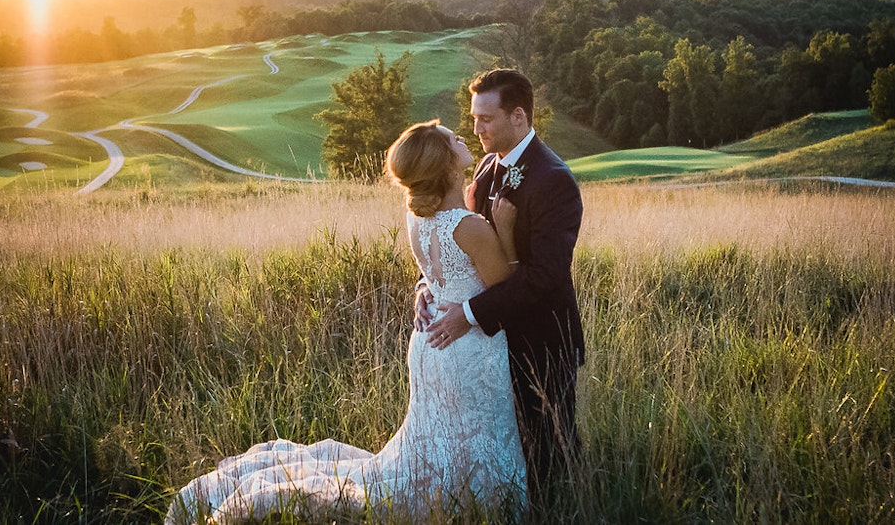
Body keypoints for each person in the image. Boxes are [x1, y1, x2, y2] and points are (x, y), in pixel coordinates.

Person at [165, 120, 527, 524]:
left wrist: (422, 290)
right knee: (475, 435)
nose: (462, 137)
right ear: (444, 163)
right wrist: (508, 232)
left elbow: (435, 275)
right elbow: (505, 288)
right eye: (452, 140)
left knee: (440, 439)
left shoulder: (418, 220)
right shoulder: (471, 227)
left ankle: (455, 503)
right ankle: (485, 507)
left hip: (429, 345)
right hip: (466, 348)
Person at [416, 68, 585, 502]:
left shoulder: (554, 180)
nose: (476, 129)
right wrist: (428, 287)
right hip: (492, 345)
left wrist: (469, 314)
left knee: (552, 446)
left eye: (486, 119)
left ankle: (567, 508)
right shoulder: (490, 165)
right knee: (508, 443)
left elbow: (545, 276)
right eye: (473, 118)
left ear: (519, 117)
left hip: (542, 337)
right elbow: (462, 248)